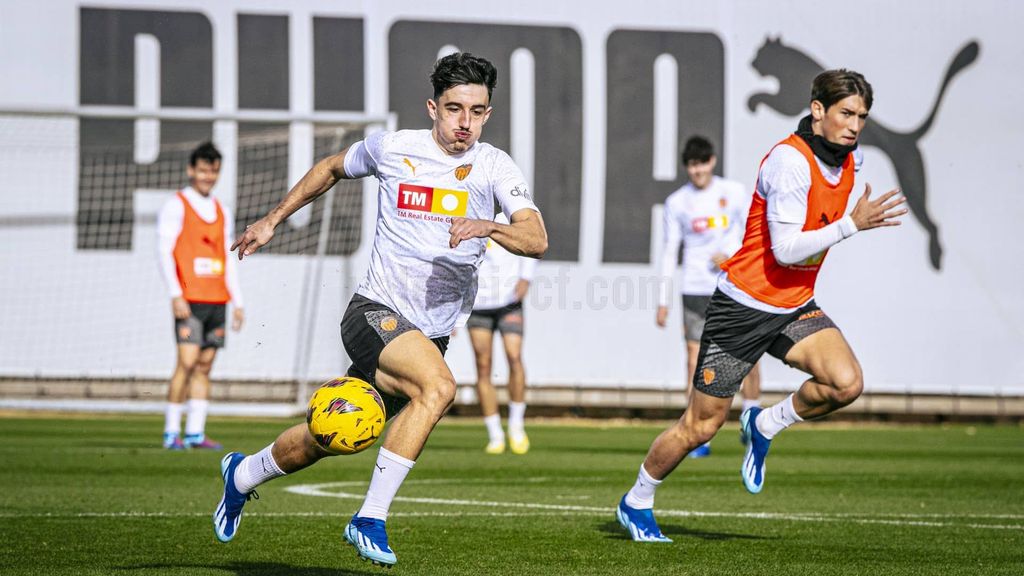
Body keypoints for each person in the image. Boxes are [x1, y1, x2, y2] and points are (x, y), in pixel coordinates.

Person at [213, 52, 547, 567]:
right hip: (374, 311)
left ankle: (242, 474)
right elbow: (330, 168)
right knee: (439, 388)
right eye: (454, 109)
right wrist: (273, 219)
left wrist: (489, 226)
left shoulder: (494, 166)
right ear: (433, 108)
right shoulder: (393, 148)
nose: (465, 122)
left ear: (488, 113)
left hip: (430, 334)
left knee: (335, 434)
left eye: (477, 111)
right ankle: (369, 517)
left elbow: (536, 238)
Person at [617, 69, 906, 542]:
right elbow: (786, 250)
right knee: (701, 427)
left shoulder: (848, 161)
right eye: (846, 114)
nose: (855, 126)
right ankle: (637, 499)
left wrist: (847, 225)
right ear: (818, 110)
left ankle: (765, 422)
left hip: (793, 305)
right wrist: (852, 225)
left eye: (862, 117)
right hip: (743, 308)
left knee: (846, 383)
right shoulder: (790, 162)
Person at [655, 136, 762, 458]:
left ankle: (751, 420)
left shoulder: (734, 193)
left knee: (749, 355)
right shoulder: (677, 202)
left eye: (702, 163)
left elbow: (753, 234)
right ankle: (696, 432)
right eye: (692, 165)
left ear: (712, 161)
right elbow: (669, 250)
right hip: (695, 288)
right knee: (694, 360)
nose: (697, 171)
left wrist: (731, 256)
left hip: (733, 286)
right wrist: (663, 300)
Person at [156, 141, 244, 450]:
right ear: (191, 170)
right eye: (204, 170)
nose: (209, 177)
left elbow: (227, 259)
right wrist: (175, 294)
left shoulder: (222, 210)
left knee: (205, 365)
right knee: (187, 362)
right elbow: (164, 251)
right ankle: (171, 432)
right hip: (190, 299)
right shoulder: (177, 205)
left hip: (217, 299)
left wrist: (237, 302)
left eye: (214, 171)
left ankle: (195, 432)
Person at [466, 212, 537, 455]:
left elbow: (532, 237)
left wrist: (526, 277)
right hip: (478, 303)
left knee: (514, 356)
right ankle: (495, 433)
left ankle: (516, 426)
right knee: (483, 365)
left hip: (509, 300)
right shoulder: (469, 209)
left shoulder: (512, 210)